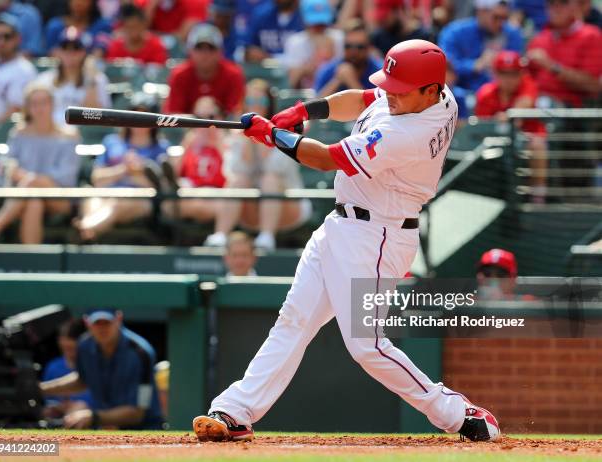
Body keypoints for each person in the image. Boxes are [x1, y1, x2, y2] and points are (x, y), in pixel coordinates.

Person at [192, 39, 500, 443]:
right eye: (390, 84)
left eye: (400, 88)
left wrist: (273, 137)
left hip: (377, 236)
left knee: (367, 345)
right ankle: (236, 410)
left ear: (430, 89)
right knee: (293, 320)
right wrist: (305, 111)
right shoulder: (430, 98)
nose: (389, 95)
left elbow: (326, 158)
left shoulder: (406, 133)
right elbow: (360, 99)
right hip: (343, 225)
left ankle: (459, 413)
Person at [204, 79, 312, 250]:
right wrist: (247, 138)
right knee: (239, 180)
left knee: (270, 179)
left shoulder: (285, 130)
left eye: (260, 101)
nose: (255, 106)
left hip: (288, 205)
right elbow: (233, 171)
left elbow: (276, 168)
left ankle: (267, 237)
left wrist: (265, 136)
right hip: (249, 209)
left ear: (269, 104)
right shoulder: (236, 132)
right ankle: (220, 235)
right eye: (250, 101)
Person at [40, 308, 164, 430]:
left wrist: (93, 417)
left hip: (145, 431)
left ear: (118, 319)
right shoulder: (84, 346)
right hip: (105, 431)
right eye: (97, 323)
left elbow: (137, 413)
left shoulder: (141, 353)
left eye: (107, 322)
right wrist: (40, 389)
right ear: (87, 323)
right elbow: (82, 380)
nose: (102, 328)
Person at [0, 84, 80, 244]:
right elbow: (6, 167)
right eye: (34, 103)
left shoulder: (69, 136)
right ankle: (32, 263)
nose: (39, 108)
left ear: (52, 104)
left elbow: (66, 177)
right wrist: (14, 171)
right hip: (26, 195)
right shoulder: (18, 134)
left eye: (44, 102)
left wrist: (29, 178)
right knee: (34, 201)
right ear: (28, 107)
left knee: (31, 185)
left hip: (59, 198)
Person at [75, 92, 168, 241]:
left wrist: (138, 172)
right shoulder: (112, 141)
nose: (138, 122)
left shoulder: (161, 148)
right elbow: (97, 179)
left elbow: (160, 188)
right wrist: (123, 169)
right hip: (107, 193)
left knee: (116, 202)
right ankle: (88, 231)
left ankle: (86, 229)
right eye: (135, 116)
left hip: (140, 200)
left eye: (144, 116)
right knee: (92, 198)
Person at [475, 50, 548, 202]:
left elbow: (519, 113)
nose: (508, 79)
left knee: (537, 144)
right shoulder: (486, 93)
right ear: (495, 74)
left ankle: (538, 196)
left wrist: (506, 118)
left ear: (521, 74)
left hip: (527, 137)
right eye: (503, 73)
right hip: (495, 140)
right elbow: (481, 127)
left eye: (514, 74)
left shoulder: (528, 85)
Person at [155, 96, 226, 224]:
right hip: (191, 192)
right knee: (169, 202)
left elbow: (233, 175)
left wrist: (219, 145)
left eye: (210, 117)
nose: (204, 123)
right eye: (198, 118)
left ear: (220, 117)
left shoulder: (228, 142)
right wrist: (187, 146)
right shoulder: (190, 141)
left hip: (217, 195)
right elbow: (175, 173)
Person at [526, 0, 601, 108]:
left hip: (575, 110)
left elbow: (593, 85)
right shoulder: (539, 39)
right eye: (551, 3)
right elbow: (527, 79)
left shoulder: (591, 36)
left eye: (563, 2)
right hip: (539, 105)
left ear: (575, 6)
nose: (556, 8)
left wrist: (552, 66)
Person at [438, 0, 524, 92]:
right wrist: (474, 65)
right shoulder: (455, 32)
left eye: (504, 18)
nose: (500, 23)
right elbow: (444, 66)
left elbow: (518, 68)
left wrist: (501, 63)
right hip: (461, 92)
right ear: (481, 12)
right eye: (496, 17)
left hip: (499, 93)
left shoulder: (512, 33)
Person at [163, 23, 245, 117]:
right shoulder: (180, 75)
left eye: (211, 48)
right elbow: (173, 115)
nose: (205, 54)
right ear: (190, 51)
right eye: (199, 48)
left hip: (222, 129)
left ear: (220, 52)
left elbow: (234, 114)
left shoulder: (233, 75)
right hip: (187, 130)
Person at [36, 26, 111, 126]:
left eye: (76, 48)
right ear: (58, 51)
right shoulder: (45, 79)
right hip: (50, 134)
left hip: (83, 136)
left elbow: (96, 118)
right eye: (65, 47)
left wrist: (91, 81)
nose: (70, 52)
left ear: (84, 52)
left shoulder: (98, 79)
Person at [0, 14, 37, 132]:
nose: (1, 42)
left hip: (5, 133)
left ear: (18, 39)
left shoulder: (25, 70)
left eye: (7, 36)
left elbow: (17, 109)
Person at [283, 0, 343, 89]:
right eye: (314, 23)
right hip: (305, 96)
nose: (318, 27)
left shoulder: (339, 38)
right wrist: (303, 70)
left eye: (322, 23)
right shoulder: (295, 42)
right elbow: (290, 85)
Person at [314, 20, 383, 97]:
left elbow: (378, 107)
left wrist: (352, 82)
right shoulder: (328, 70)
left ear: (369, 48)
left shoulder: (380, 72)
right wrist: (337, 80)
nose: (353, 51)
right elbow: (314, 106)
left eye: (360, 47)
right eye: (348, 46)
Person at [42, 319, 94, 420]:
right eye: (64, 339)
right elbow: (49, 402)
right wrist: (59, 407)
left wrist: (83, 408)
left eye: (73, 340)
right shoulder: (53, 366)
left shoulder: (95, 365)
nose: (68, 344)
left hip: (92, 421)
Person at [45, 0, 112, 53]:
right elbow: (51, 53)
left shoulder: (102, 26)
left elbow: (99, 52)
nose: (78, 3)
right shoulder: (55, 26)